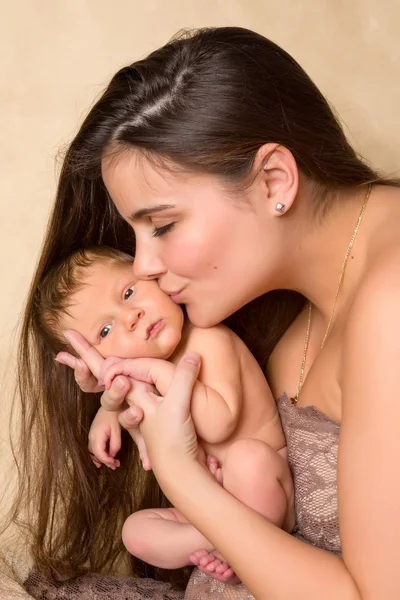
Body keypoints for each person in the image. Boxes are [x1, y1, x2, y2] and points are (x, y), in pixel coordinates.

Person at [12, 25, 400, 600]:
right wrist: (124, 388)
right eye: (136, 235)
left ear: (274, 179)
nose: (141, 267)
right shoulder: (301, 309)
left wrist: (181, 474)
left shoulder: (390, 300)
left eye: (163, 226)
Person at [39, 244, 293, 575]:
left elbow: (218, 424)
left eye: (129, 292)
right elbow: (136, 408)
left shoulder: (207, 338)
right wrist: (108, 409)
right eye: (105, 330)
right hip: (205, 506)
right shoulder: (145, 371)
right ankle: (207, 537)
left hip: (264, 487)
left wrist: (155, 372)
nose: (131, 317)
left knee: (248, 459)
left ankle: (235, 538)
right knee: (136, 531)